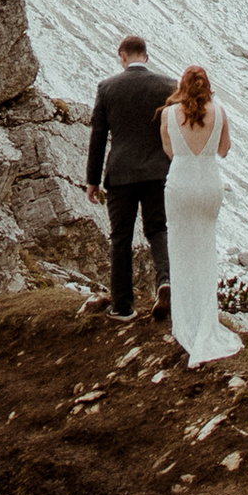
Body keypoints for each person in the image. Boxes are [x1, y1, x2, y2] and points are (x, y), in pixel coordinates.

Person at [84, 33, 176, 320]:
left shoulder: (107, 88)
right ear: (146, 56)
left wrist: (92, 180)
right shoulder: (167, 86)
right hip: (157, 172)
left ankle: (123, 306)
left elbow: (98, 136)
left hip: (121, 174)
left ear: (122, 56)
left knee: (121, 237)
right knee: (157, 229)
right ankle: (165, 280)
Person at [159, 62, 242, 363]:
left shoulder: (169, 114)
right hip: (208, 183)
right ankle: (206, 319)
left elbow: (169, 150)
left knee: (180, 250)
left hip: (180, 183)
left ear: (182, 86)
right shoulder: (219, 112)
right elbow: (224, 150)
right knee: (205, 250)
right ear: (207, 87)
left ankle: (185, 321)